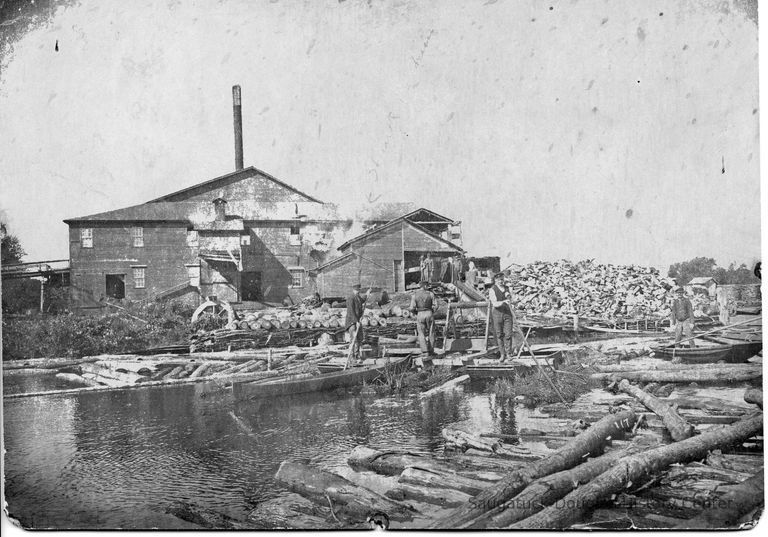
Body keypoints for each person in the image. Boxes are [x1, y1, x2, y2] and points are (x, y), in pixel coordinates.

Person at [488, 272, 515, 361]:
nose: (501, 281)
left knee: (508, 334)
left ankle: (508, 353)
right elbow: (495, 303)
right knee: (499, 335)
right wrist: (503, 302)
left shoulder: (507, 288)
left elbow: (512, 300)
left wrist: (510, 297)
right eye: (499, 280)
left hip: (507, 313)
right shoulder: (492, 289)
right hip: (497, 313)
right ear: (495, 280)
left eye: (502, 279)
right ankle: (502, 354)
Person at [410, 280, 436, 355]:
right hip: (429, 313)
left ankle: (425, 351)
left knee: (421, 333)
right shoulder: (431, 294)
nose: (428, 287)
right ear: (424, 286)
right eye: (427, 285)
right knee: (432, 332)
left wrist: (416, 313)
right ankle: (431, 350)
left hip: (420, 314)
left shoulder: (414, 295)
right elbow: (436, 305)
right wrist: (431, 312)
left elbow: (411, 308)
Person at [345, 283, 367, 363]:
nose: (358, 291)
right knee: (354, 339)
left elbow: (362, 301)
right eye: (357, 290)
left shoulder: (357, 297)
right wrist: (356, 321)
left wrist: (367, 294)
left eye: (359, 290)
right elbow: (351, 311)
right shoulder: (350, 298)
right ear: (354, 290)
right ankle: (352, 357)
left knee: (360, 338)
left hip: (358, 321)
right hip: (352, 322)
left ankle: (357, 355)